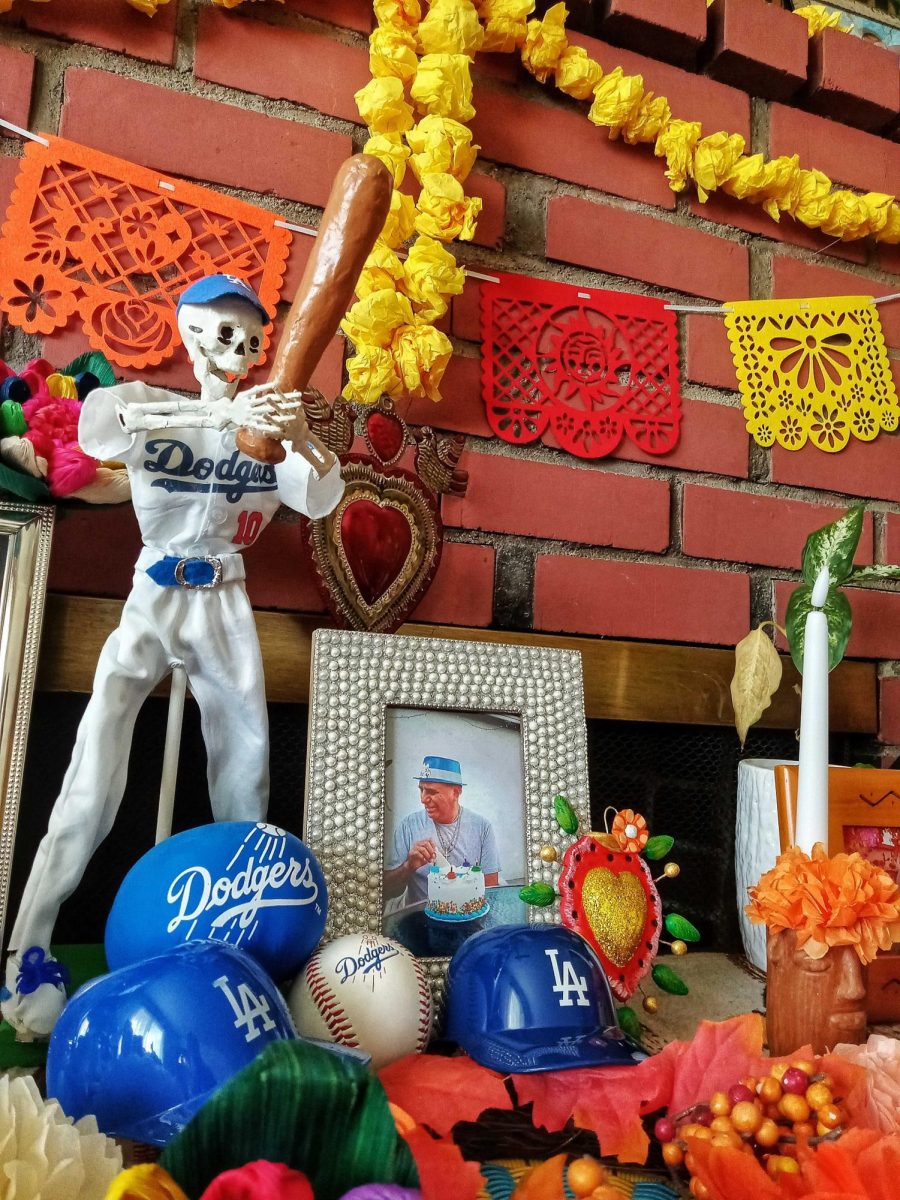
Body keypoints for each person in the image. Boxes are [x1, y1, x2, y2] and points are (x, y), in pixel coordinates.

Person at [2, 275, 343, 1039]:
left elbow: (321, 495)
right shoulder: (154, 405)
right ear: (190, 334)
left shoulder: (271, 424)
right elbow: (96, 430)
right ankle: (28, 949)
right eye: (224, 334)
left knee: (246, 772)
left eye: (252, 340)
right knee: (90, 774)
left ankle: (243, 962)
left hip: (225, 598)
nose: (240, 351)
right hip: (153, 594)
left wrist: (296, 431)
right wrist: (216, 416)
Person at [384, 756, 500, 908]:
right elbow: (386, 891)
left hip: (467, 919)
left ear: (456, 792)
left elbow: (491, 889)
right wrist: (409, 866)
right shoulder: (408, 826)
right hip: (419, 920)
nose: (423, 799)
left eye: (431, 792)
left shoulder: (482, 827)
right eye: (421, 789)